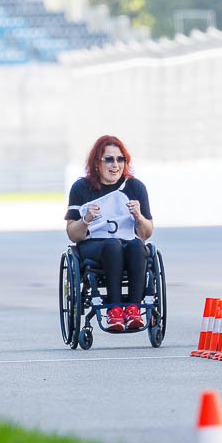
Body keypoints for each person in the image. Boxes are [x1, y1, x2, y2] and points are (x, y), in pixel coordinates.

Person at [65, 135, 154, 333]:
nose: (115, 165)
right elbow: (72, 234)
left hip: (128, 243)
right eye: (109, 159)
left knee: (138, 246)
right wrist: (86, 219)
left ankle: (133, 309)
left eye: (120, 159)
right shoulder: (81, 188)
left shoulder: (135, 187)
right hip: (94, 245)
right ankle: (114, 309)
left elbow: (146, 233)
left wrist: (139, 216)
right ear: (97, 162)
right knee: (113, 245)